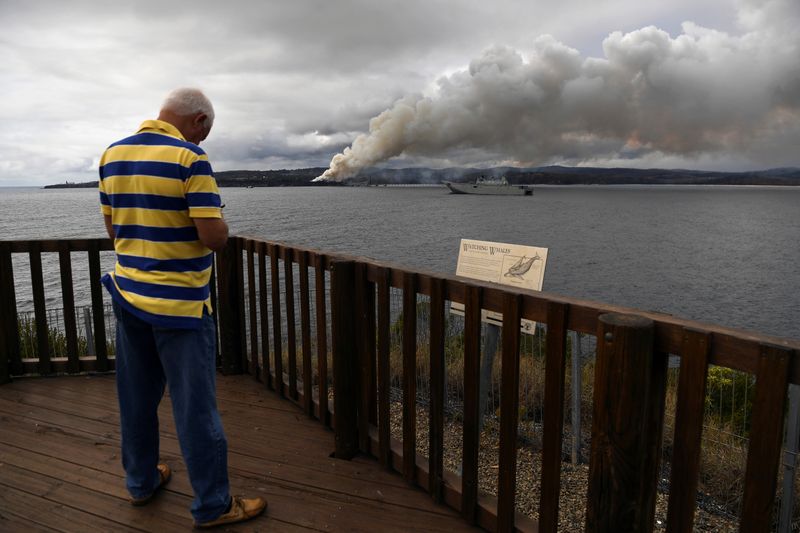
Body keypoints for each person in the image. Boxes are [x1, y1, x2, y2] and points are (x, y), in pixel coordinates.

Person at [98, 88, 267, 528]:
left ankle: (140, 482)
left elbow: (113, 230)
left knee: (136, 398)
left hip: (129, 295)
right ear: (198, 122)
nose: (202, 138)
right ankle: (213, 505)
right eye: (204, 131)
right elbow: (213, 237)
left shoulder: (111, 154)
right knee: (195, 409)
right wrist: (221, 222)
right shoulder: (191, 159)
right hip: (181, 306)